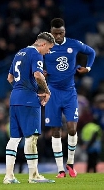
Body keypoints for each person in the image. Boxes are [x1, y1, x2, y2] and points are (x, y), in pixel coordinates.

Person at [44, 18, 96, 178]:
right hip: (52, 92)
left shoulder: (74, 44)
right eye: (55, 33)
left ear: (64, 31)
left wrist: (88, 67)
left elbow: (91, 52)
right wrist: (41, 70)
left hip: (69, 93)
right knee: (55, 131)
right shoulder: (45, 46)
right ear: (51, 32)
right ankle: (60, 169)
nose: (58, 36)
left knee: (72, 128)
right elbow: (36, 60)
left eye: (61, 33)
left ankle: (70, 163)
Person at [3, 32, 55, 184]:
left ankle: (9, 176)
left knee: (14, 138)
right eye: (49, 48)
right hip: (29, 101)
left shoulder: (19, 53)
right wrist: (46, 91)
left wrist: (22, 89)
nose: (48, 52)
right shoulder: (36, 54)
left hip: (14, 99)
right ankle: (34, 176)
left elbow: (10, 78)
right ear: (43, 44)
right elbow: (38, 75)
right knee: (31, 137)